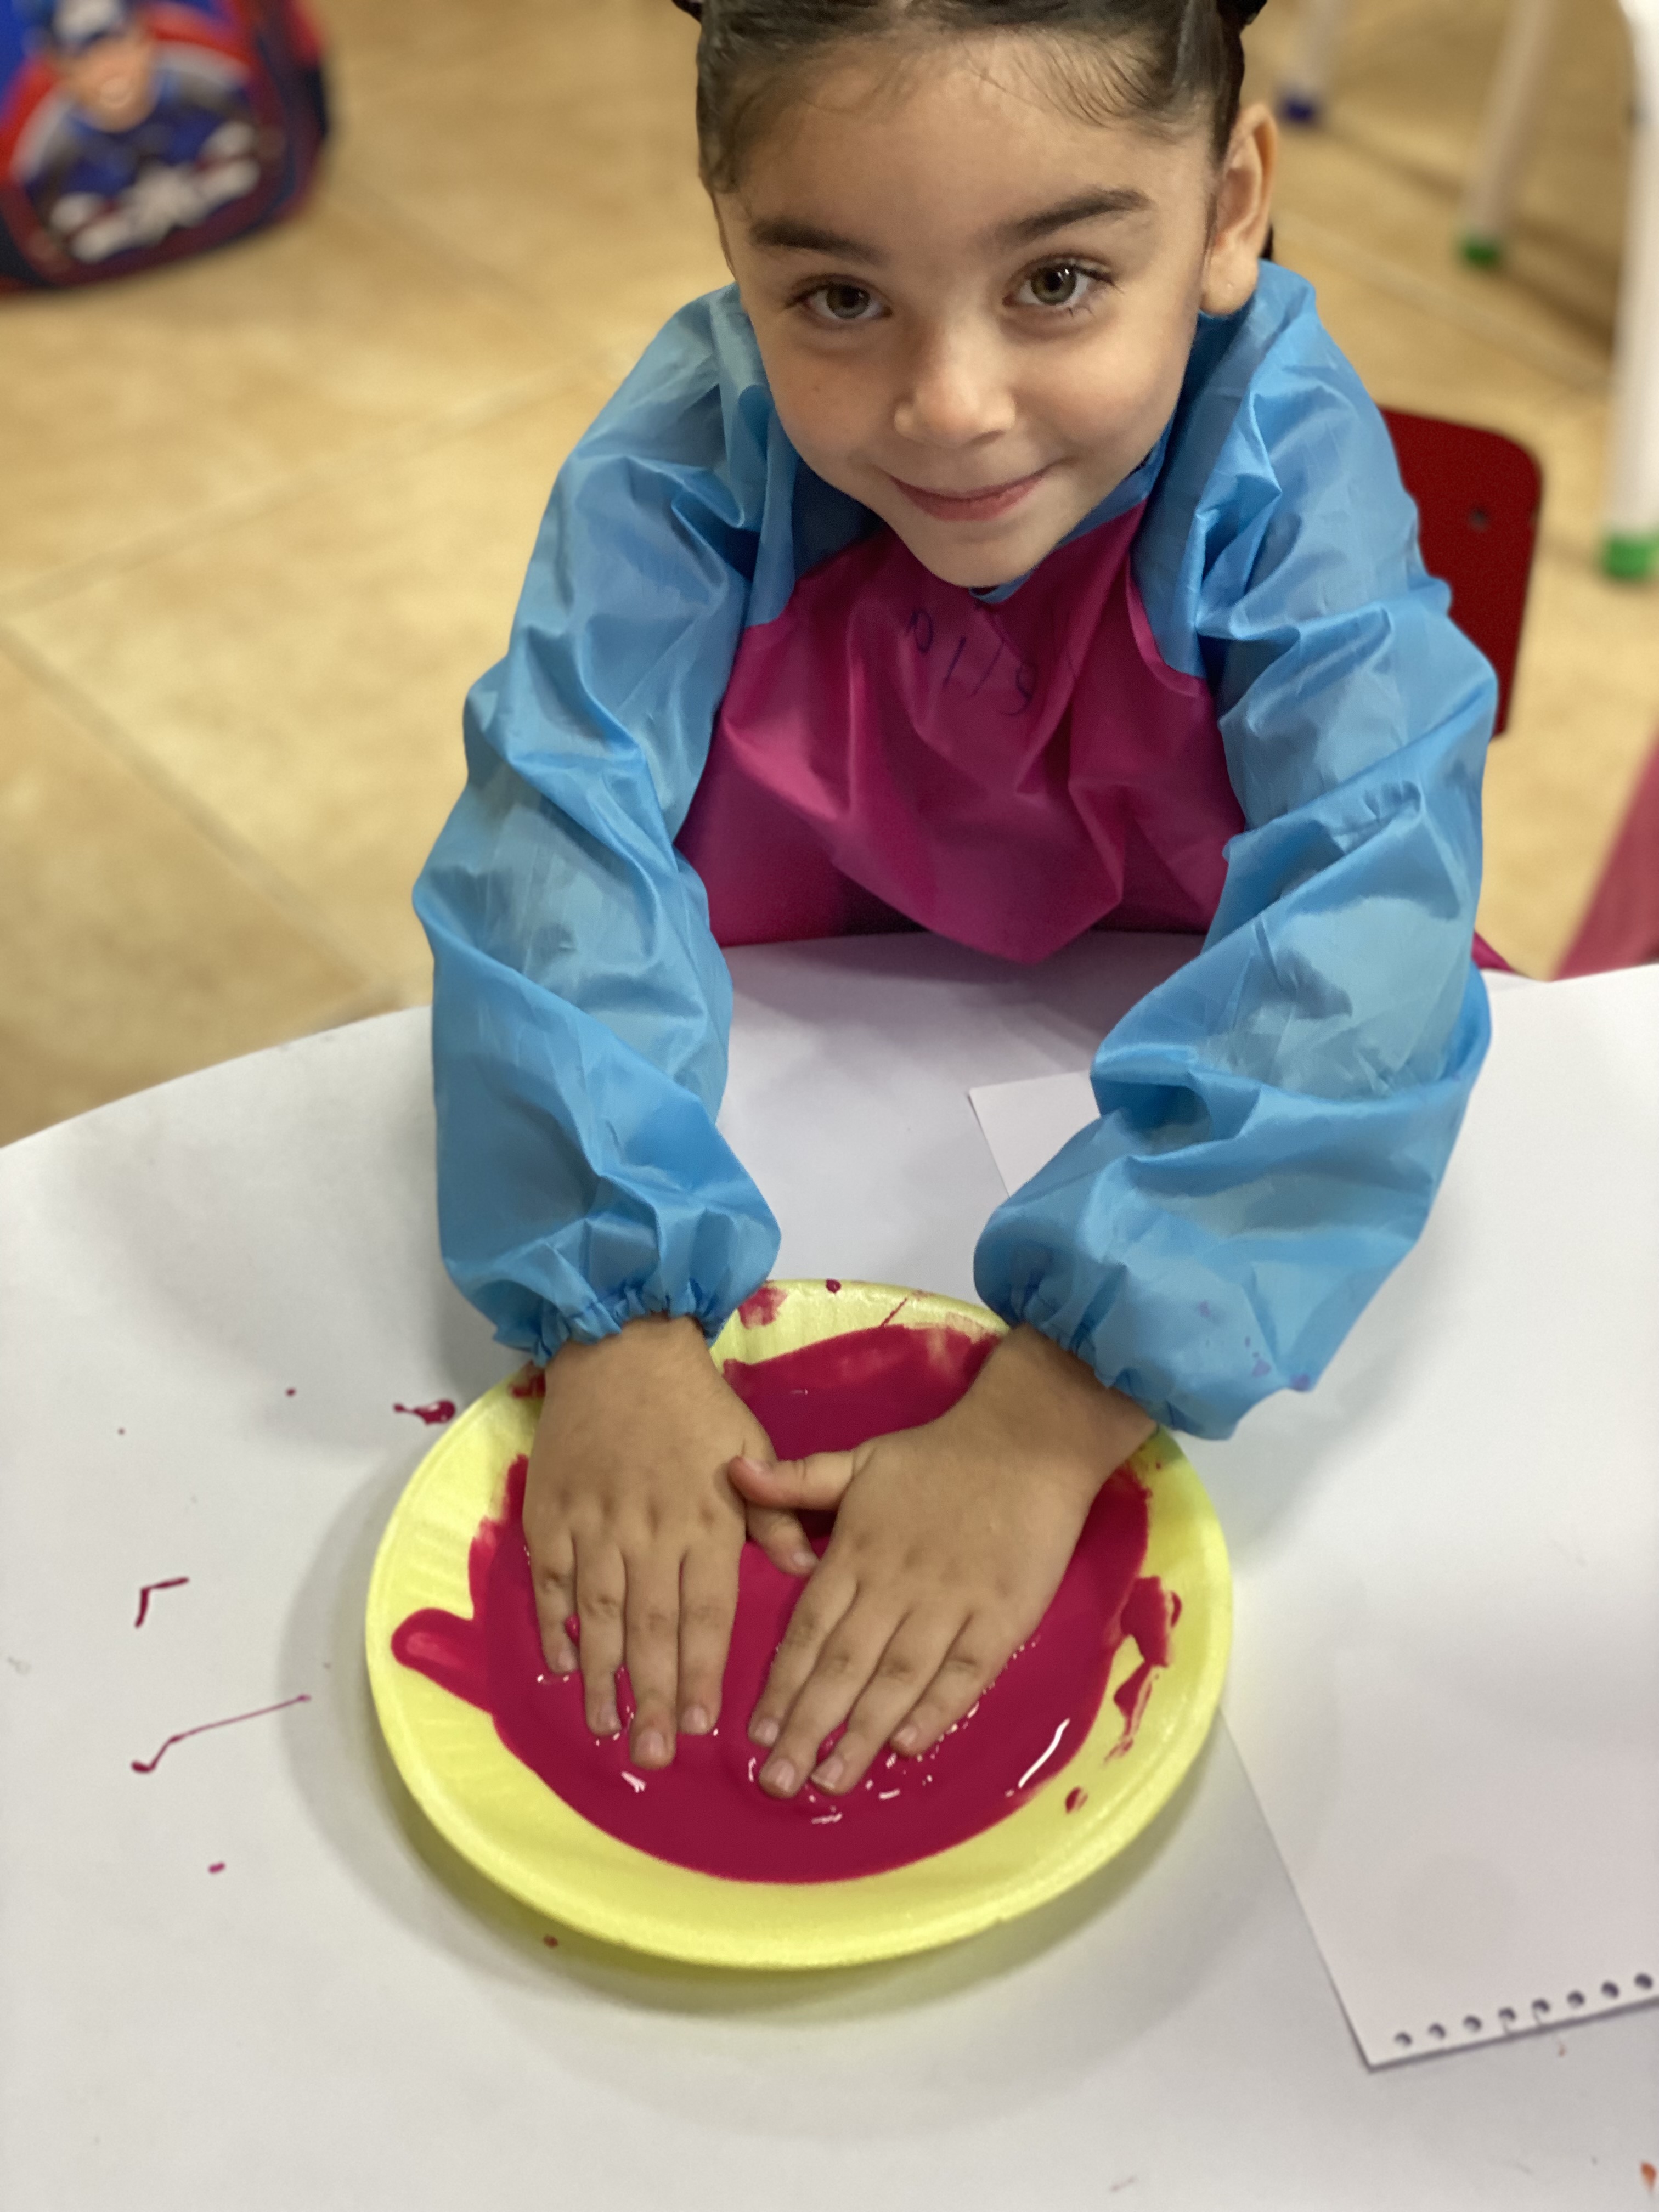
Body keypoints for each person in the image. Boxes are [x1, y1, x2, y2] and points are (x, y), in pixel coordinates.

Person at [415, 0, 1494, 1809]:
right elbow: (556, 844)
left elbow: (1369, 920)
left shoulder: (1283, 467)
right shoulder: (684, 460)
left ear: (1231, 206)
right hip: (792, 1076)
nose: (951, 406)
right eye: (839, 297)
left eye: (1058, 281)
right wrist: (615, 1319)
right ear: (731, 241)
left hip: (1180, 1094)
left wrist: (1056, 1414)